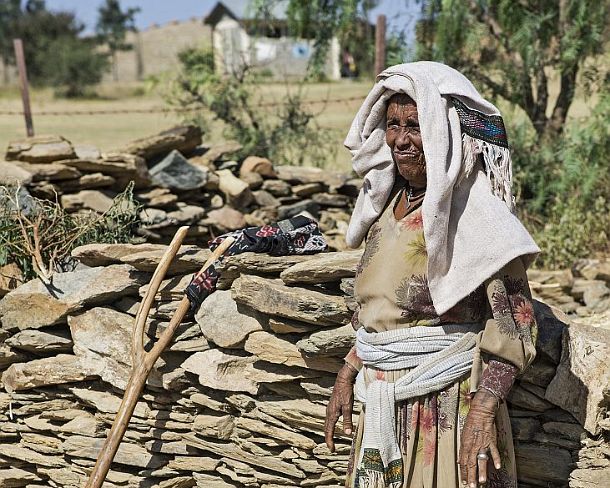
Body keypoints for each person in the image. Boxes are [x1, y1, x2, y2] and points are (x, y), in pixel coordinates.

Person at [324, 62, 540, 488]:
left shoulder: (475, 216)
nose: (401, 140)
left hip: (447, 412)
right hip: (385, 403)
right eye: (392, 125)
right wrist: (349, 370)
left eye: (416, 126)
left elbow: (516, 324)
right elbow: (377, 312)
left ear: (444, 132)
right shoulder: (387, 208)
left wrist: (482, 413)